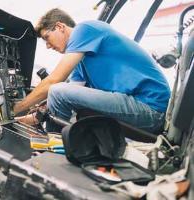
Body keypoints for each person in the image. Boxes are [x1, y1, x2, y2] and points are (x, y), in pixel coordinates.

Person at [13, 8, 170, 134]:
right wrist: (35, 116)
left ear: (60, 27)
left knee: (56, 90)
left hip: (150, 108)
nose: (47, 46)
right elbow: (71, 92)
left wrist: (16, 109)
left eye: (47, 37)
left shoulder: (84, 29)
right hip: (136, 105)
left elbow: (55, 81)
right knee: (60, 94)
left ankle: (52, 153)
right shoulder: (81, 61)